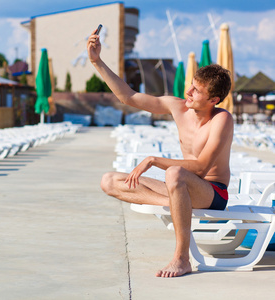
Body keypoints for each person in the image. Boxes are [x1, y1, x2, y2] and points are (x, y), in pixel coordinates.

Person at [87, 29, 233, 277]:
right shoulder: (177, 107)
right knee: (109, 181)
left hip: (212, 192)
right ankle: (179, 205)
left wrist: (153, 160)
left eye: (196, 91)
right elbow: (128, 96)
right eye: (191, 86)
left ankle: (181, 259)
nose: (188, 92)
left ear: (213, 99)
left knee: (175, 173)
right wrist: (96, 61)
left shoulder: (222, 120)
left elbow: (200, 168)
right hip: (181, 188)